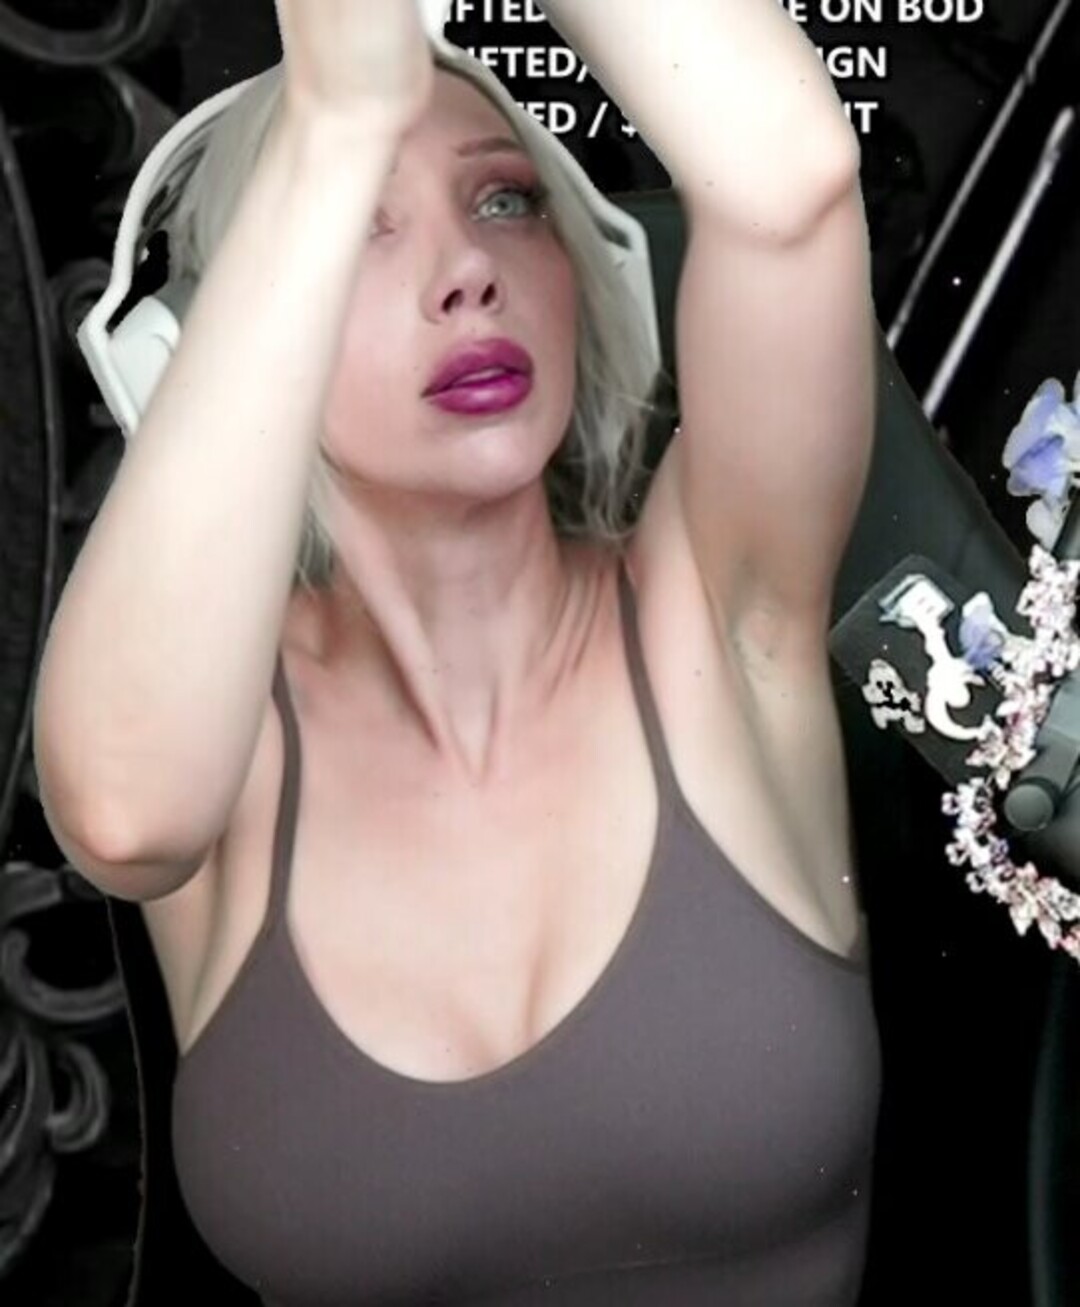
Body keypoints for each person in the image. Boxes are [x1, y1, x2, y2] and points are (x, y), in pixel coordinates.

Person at [33, 0, 882, 1302]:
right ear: (216, 357)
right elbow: (122, 816)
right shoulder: (223, 730)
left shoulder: (715, 613)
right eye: (362, 229)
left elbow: (790, 179)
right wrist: (335, 116)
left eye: (503, 203)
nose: (468, 271)